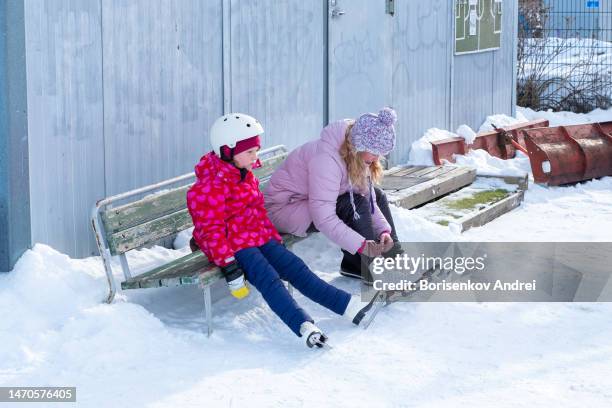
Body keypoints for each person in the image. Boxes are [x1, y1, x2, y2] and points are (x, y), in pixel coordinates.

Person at [186, 113, 378, 348]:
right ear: (227, 151)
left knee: (296, 268)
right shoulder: (208, 187)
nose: (256, 157)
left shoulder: (244, 175)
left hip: (258, 236)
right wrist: (227, 263)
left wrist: (273, 240)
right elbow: (210, 229)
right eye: (250, 152)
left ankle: (348, 306)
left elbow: (258, 211)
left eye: (256, 150)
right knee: (269, 279)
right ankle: (303, 325)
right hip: (234, 246)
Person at [264, 107, 403, 284]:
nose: (376, 159)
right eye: (374, 152)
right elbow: (324, 218)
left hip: (307, 201)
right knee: (351, 204)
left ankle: (394, 258)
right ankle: (373, 269)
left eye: (380, 153)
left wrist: (384, 231)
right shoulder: (327, 160)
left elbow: (370, 199)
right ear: (359, 145)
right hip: (284, 209)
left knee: (377, 195)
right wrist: (362, 246)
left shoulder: (356, 152)